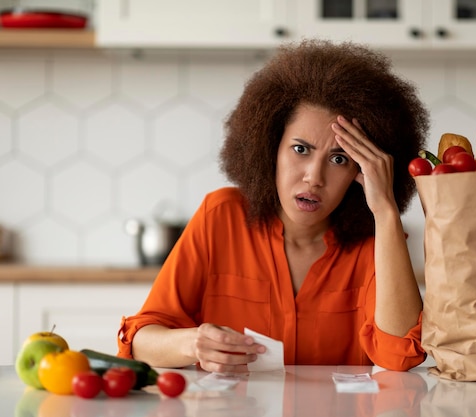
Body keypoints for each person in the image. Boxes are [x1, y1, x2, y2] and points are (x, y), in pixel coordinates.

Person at [117, 39, 430, 373]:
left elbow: (401, 355)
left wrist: (385, 210)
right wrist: (193, 343)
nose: (314, 177)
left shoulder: (376, 242)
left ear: (361, 171)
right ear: (270, 148)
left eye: (340, 159)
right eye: (300, 150)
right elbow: (140, 342)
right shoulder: (221, 216)